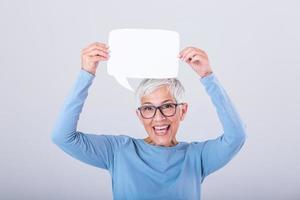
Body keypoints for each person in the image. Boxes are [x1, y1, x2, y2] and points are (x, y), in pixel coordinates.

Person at [51, 42, 247, 200]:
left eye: (167, 106)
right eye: (148, 109)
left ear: (183, 111)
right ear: (139, 115)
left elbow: (236, 136)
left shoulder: (197, 157)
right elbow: (62, 137)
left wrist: (207, 76)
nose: (158, 117)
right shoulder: (119, 151)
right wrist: (86, 73)